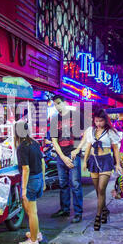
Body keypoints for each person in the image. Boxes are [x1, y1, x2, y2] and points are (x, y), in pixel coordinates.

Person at [82, 109, 123, 231]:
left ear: (105, 120)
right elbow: (88, 146)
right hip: (93, 161)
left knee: (101, 189)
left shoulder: (110, 132)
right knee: (98, 191)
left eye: (100, 121)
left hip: (106, 161)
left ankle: (98, 216)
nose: (98, 123)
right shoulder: (91, 131)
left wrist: (118, 164)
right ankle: (104, 210)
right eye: (96, 121)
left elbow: (115, 149)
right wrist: (85, 161)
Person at [49, 95, 83, 224]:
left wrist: (77, 150)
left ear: (64, 103)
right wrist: (63, 157)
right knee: (63, 184)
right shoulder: (54, 120)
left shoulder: (76, 115)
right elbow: (54, 140)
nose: (57, 106)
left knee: (75, 184)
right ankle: (64, 209)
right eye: (55, 104)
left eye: (58, 103)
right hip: (61, 156)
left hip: (73, 154)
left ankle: (78, 212)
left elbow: (84, 134)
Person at [15, 121, 45, 244]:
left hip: (31, 180)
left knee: (32, 212)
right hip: (38, 178)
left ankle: (33, 241)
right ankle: (36, 234)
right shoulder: (35, 143)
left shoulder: (22, 147)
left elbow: (26, 169)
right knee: (30, 209)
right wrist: (43, 180)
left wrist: (23, 189)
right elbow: (42, 161)